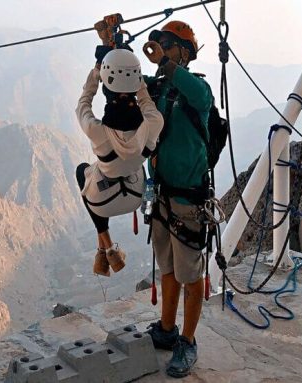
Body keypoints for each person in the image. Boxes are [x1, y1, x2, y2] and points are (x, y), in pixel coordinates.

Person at [141, 21, 213, 378]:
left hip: (188, 200)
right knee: (168, 266)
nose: (161, 51)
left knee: (189, 273)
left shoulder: (198, 90)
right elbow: (127, 90)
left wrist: (167, 65)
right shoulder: (159, 90)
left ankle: (188, 340)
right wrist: (110, 48)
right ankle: (167, 329)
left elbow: (197, 94)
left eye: (168, 45)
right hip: (163, 195)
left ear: (184, 51)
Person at [75, 46, 163, 277]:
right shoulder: (153, 124)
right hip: (134, 197)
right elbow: (146, 102)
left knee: (83, 173)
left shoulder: (97, 131)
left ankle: (105, 246)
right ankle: (105, 251)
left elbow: (83, 103)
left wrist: (97, 72)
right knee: (97, 177)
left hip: (103, 202)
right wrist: (136, 79)